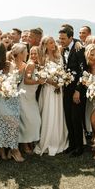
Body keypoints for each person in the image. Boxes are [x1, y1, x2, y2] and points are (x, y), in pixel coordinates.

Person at [0, 42, 24, 162]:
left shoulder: (9, 64)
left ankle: (5, 149)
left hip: (9, 98)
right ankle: (13, 149)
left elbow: (14, 82)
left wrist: (16, 69)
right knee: (12, 121)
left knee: (15, 119)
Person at [34, 36, 69, 156]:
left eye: (53, 42)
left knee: (59, 112)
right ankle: (48, 141)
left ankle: (59, 139)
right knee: (49, 112)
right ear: (44, 45)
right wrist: (52, 82)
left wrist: (60, 82)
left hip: (58, 89)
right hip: (48, 89)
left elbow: (63, 72)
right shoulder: (42, 58)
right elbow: (40, 76)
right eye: (50, 42)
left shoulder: (59, 56)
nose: (53, 44)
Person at [58, 27, 87, 157]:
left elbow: (83, 72)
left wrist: (78, 90)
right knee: (68, 118)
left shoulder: (79, 48)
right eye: (60, 38)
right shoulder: (63, 48)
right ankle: (72, 145)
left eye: (63, 39)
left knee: (76, 119)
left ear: (71, 38)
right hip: (66, 89)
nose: (61, 41)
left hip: (77, 90)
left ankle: (79, 147)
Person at [14, 45, 42, 154]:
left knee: (34, 121)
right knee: (27, 120)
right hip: (24, 94)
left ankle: (28, 142)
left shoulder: (37, 65)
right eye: (32, 53)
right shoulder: (30, 65)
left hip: (31, 96)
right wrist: (38, 81)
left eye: (36, 53)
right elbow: (27, 80)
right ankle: (25, 145)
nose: (34, 55)